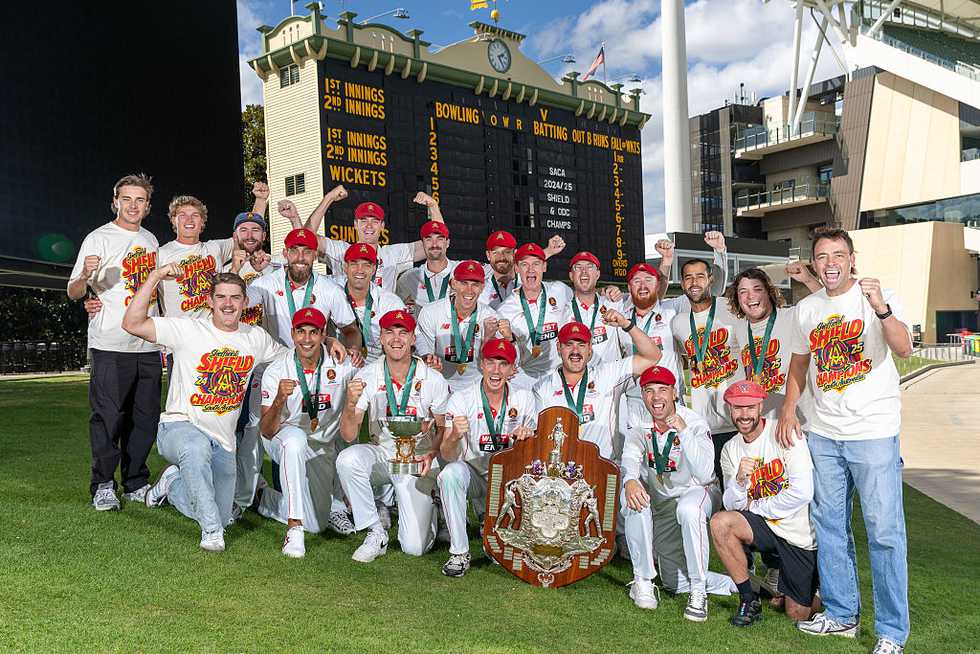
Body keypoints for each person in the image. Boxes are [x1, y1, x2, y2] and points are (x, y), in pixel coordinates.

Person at [777, 228, 912, 654]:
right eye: (822, 256)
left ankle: (891, 632)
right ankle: (841, 615)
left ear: (852, 259)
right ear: (814, 263)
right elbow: (799, 366)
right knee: (830, 527)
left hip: (873, 433)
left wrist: (883, 310)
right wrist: (786, 409)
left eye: (838, 254)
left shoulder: (878, 295)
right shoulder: (807, 308)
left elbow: (905, 348)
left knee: (884, 532)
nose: (830, 262)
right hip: (824, 434)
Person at [124, 268, 286, 551]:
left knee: (222, 514)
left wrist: (329, 342)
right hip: (179, 428)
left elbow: (293, 357)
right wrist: (155, 277)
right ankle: (211, 533)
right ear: (209, 301)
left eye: (235, 298)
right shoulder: (189, 329)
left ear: (244, 302)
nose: (228, 303)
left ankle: (172, 485)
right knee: (196, 451)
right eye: (221, 297)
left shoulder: (255, 338)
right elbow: (132, 323)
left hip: (223, 442)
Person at [239, 227, 356, 520]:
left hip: (315, 366)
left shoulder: (329, 289)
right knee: (258, 433)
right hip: (273, 369)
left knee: (327, 431)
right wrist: (240, 265)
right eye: (295, 250)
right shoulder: (266, 284)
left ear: (315, 255)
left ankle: (336, 502)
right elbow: (240, 299)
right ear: (285, 254)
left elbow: (351, 330)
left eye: (307, 251)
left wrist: (348, 348)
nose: (301, 257)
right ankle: (246, 496)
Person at [68, 173, 162, 510]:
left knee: (145, 417)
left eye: (139, 200)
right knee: (108, 416)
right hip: (110, 342)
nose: (133, 205)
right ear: (115, 201)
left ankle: (136, 481)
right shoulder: (98, 238)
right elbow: (74, 291)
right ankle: (103, 484)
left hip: (148, 343)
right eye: (127, 199)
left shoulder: (152, 241)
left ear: (147, 206)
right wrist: (84, 277)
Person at [620, 366, 736, 619]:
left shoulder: (693, 421)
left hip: (699, 491)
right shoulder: (640, 425)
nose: (656, 397)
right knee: (673, 582)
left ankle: (698, 593)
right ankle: (733, 583)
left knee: (689, 509)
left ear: (674, 392)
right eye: (649, 391)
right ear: (642, 395)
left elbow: (706, 473)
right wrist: (630, 479)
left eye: (663, 389)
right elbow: (629, 459)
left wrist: (683, 431)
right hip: (664, 502)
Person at [337, 310, 449, 562]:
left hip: (418, 461)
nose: (396, 339)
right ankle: (375, 531)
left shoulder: (433, 378)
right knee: (348, 458)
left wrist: (432, 453)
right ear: (381, 338)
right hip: (384, 453)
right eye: (390, 332)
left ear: (413, 338)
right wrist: (350, 403)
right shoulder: (367, 375)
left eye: (403, 332)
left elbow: (443, 428)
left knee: (414, 547)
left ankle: (433, 507)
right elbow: (348, 434)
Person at [711, 380, 820, 627]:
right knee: (720, 524)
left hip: (796, 532)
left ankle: (813, 586)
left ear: (761, 406)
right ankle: (748, 599)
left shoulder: (784, 432)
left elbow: (803, 492)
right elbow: (731, 504)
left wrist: (757, 507)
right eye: (737, 408)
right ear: (730, 409)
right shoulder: (730, 448)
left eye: (750, 407)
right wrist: (739, 482)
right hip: (763, 526)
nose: (744, 415)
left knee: (797, 613)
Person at [258, 308, 358, 557]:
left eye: (314, 332)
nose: (306, 339)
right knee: (295, 440)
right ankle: (294, 529)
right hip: (282, 437)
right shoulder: (277, 370)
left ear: (324, 334)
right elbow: (267, 430)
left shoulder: (342, 365)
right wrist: (280, 399)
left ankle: (261, 497)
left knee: (318, 524)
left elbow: (379, 374)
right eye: (300, 332)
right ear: (292, 334)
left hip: (321, 446)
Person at [437, 338, 537, 577]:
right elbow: (447, 455)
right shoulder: (462, 398)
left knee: (501, 555)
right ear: (481, 364)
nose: (496, 370)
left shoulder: (524, 398)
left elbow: (536, 454)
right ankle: (459, 552)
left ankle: (494, 532)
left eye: (503, 364)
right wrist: (453, 437)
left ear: (513, 369)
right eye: (491, 362)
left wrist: (528, 437)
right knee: (450, 474)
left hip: (510, 482)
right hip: (475, 474)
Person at [532, 315, 661, 462]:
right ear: (559, 348)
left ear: (590, 349)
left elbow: (652, 356)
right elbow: (541, 437)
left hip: (602, 468)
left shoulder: (608, 374)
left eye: (581, 345)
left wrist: (626, 324)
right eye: (569, 344)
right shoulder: (542, 388)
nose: (575, 351)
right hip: (561, 474)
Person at [670, 256, 746, 484]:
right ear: (682, 284)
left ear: (710, 280)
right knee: (709, 488)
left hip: (735, 419)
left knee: (739, 486)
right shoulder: (679, 323)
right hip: (702, 424)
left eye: (700, 276)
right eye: (688, 277)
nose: (694, 282)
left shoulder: (731, 311)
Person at [280, 186, 443, 291]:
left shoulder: (392, 254)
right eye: (364, 221)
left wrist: (433, 206)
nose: (369, 226)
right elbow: (306, 238)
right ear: (355, 225)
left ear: (382, 226)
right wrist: (328, 198)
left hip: (381, 336)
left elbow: (437, 245)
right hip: (344, 335)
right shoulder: (340, 251)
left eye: (374, 221)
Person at [496, 243, 573, 387]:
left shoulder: (561, 290)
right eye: (524, 264)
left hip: (559, 376)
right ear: (517, 268)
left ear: (544, 266)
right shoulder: (504, 310)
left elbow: (584, 299)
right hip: (524, 378)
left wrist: (608, 291)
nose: (531, 270)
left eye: (536, 264)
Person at [416, 260, 500, 392]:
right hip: (440, 384)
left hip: (477, 387)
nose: (469, 290)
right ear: (453, 283)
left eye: (475, 284)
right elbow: (425, 354)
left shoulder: (491, 317)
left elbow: (494, 364)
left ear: (482, 287)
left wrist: (489, 339)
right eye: (464, 283)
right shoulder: (430, 312)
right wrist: (429, 362)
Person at [156, 195, 235, 318]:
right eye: (182, 215)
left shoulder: (215, 248)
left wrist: (260, 200)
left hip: (211, 329)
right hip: (178, 331)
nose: (189, 220)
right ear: (173, 220)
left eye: (195, 215)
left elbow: (248, 232)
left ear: (202, 221)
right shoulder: (161, 254)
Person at [341, 243, 406, 365]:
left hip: (379, 369)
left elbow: (405, 341)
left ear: (374, 269)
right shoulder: (332, 292)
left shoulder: (391, 302)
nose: (360, 270)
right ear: (345, 267)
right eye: (354, 264)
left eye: (366, 265)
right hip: (339, 367)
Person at [560, 251, 623, 364]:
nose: (584, 271)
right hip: (578, 378)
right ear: (571, 276)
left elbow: (649, 300)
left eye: (589, 267)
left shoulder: (613, 303)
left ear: (597, 274)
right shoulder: (561, 311)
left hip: (611, 378)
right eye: (578, 267)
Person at [479, 231, 566, 309]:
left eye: (507, 252)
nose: (501, 257)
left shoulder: (529, 280)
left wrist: (549, 251)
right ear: (488, 255)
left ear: (515, 254)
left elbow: (531, 261)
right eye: (495, 252)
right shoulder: (480, 289)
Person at [395, 220, 457, 315]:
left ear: (447, 243)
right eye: (429, 239)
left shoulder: (461, 272)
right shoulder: (408, 278)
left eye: (440, 239)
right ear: (422, 244)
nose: (434, 244)